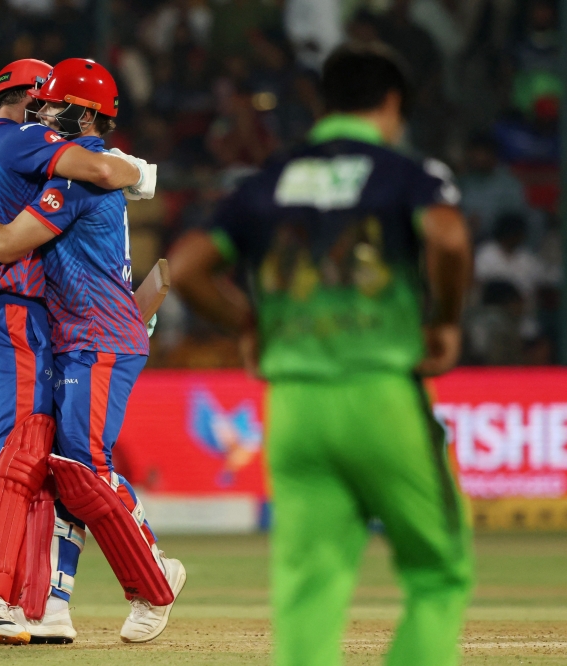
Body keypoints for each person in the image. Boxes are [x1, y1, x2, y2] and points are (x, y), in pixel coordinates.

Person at [167, 44, 474, 665]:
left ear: (322, 104)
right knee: (438, 570)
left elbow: (187, 265)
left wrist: (248, 323)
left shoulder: (269, 180)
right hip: (382, 391)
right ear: (392, 105)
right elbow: (448, 236)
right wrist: (442, 322)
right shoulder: (401, 171)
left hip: (295, 406)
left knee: (310, 586)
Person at [0, 58, 184, 645]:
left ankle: (153, 578)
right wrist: (129, 170)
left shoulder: (73, 180)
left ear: (86, 112)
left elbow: (8, 242)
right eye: (38, 103)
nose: (43, 113)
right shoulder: (60, 171)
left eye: (55, 103)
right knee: (60, 467)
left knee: (80, 467)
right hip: (73, 332)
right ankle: (48, 604)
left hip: (98, 335)